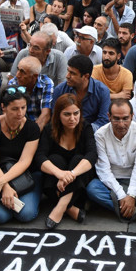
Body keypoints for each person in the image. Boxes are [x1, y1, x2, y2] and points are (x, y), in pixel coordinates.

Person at [87, 99, 136, 222]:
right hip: (110, 182)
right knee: (92, 188)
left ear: (132, 116)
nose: (121, 124)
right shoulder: (100, 135)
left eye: (125, 118)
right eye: (116, 119)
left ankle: (109, 206)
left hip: (134, 180)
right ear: (109, 117)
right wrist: (121, 195)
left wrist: (131, 195)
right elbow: (103, 170)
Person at [35, 94, 96, 229]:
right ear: (58, 115)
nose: (72, 118)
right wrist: (60, 174)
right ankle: (70, 208)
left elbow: (92, 155)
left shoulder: (86, 127)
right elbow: (39, 157)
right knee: (55, 159)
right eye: (67, 114)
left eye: (76, 113)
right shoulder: (49, 129)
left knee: (78, 159)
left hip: (79, 182)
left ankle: (60, 207)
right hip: (55, 182)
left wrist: (71, 174)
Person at [0, 86, 41, 224]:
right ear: (3, 107)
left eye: (23, 108)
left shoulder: (32, 128)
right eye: (14, 109)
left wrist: (2, 183)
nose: (20, 113)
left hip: (25, 176)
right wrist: (5, 186)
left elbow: (24, 161)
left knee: (26, 214)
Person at [51, 54, 110, 132]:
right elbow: (55, 117)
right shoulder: (60, 90)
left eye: (72, 73)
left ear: (86, 76)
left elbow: (103, 121)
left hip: (92, 133)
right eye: (68, 71)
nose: (67, 76)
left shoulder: (102, 91)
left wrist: (83, 131)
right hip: (65, 131)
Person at [7, 56, 54, 130]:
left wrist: (33, 136)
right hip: (20, 124)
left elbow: (45, 115)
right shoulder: (13, 82)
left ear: (35, 76)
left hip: (41, 125)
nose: (17, 75)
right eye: (18, 70)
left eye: (23, 72)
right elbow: (14, 114)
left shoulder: (46, 83)